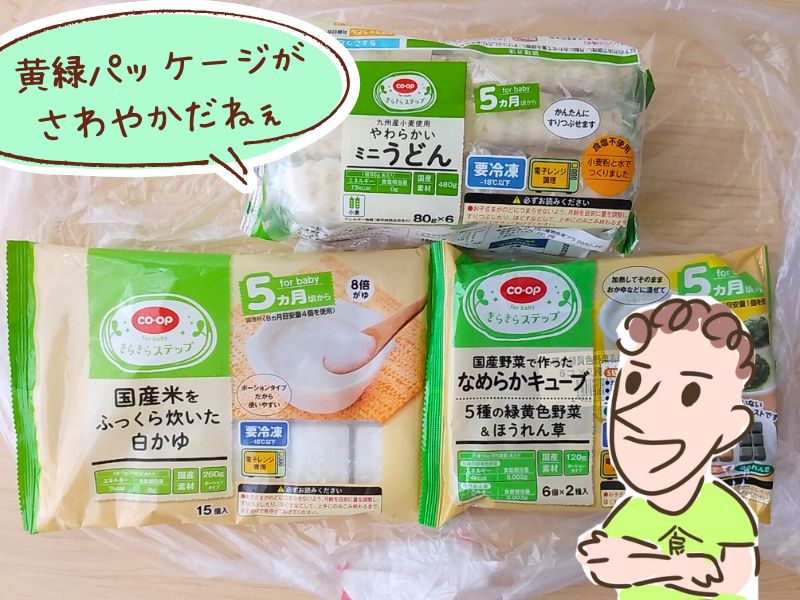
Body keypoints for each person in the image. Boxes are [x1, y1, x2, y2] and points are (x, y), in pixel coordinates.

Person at [577, 297, 759, 598]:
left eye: (690, 394)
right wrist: (600, 558)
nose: (643, 413)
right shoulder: (630, 510)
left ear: (731, 426)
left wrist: (651, 566)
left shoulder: (721, 507)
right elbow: (611, 567)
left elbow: (733, 576)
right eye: (634, 383)